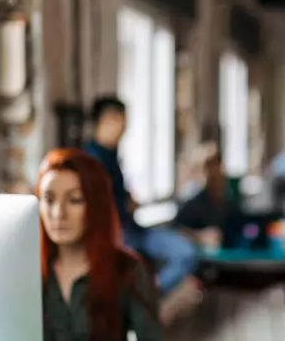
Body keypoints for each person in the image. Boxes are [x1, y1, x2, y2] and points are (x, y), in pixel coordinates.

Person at [36, 149, 171, 341]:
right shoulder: (25, 272)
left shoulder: (127, 270)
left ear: (95, 205)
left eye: (74, 200)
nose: (58, 214)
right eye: (49, 199)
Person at [83, 96, 201, 303]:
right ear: (108, 120)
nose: (125, 129)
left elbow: (118, 195)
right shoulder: (90, 160)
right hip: (114, 235)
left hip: (133, 229)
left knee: (185, 252)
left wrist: (128, 201)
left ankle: (150, 296)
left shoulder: (111, 155)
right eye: (122, 121)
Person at [173, 153, 236, 247]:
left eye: (220, 176)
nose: (217, 182)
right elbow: (175, 231)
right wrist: (199, 236)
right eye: (213, 178)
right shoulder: (193, 206)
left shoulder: (230, 205)